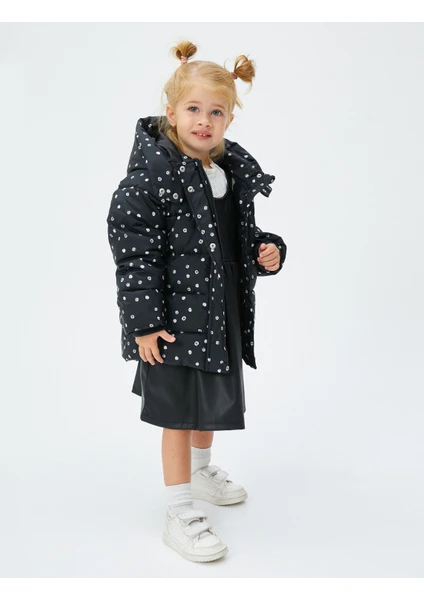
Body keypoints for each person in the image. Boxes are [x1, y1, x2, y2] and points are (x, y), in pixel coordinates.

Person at [106, 40, 287, 563]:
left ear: (229, 118)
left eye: (216, 112)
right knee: (178, 415)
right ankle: (178, 509)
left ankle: (201, 472)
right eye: (193, 109)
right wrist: (143, 325)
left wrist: (265, 250)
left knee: (210, 402)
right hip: (171, 321)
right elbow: (135, 257)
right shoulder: (150, 179)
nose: (204, 121)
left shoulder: (227, 173)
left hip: (216, 311)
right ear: (171, 112)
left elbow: (233, 238)